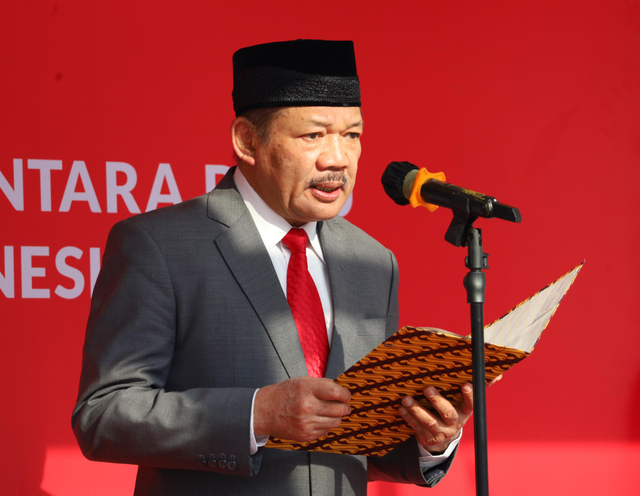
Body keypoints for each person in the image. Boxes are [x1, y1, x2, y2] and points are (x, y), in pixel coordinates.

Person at [72, 39, 474, 496]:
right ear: (247, 141)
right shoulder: (160, 245)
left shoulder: (372, 261)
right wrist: (257, 414)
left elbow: (357, 445)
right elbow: (103, 414)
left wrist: (431, 440)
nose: (337, 158)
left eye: (353, 135)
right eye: (313, 136)